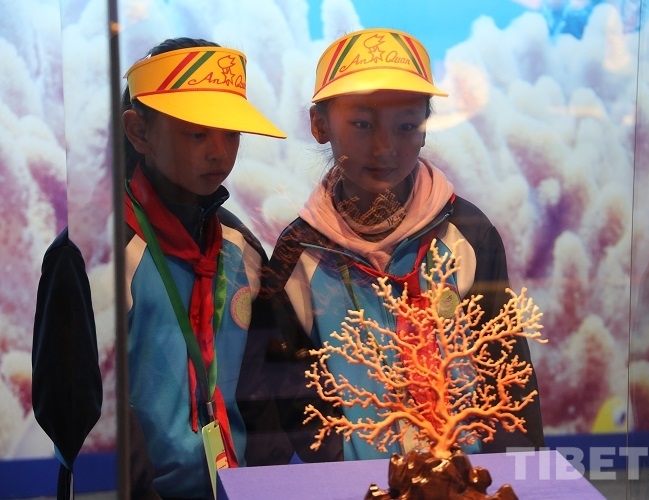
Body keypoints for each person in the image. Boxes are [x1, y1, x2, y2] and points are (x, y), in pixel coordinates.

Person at [265, 28, 545, 463]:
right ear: (319, 124)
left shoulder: (468, 234)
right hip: (355, 486)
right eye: (362, 124)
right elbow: (291, 395)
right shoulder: (298, 254)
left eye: (407, 126)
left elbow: (508, 369)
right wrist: (338, 466)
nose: (384, 147)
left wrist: (515, 476)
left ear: (426, 129)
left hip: (464, 478)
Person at [122, 37, 292, 498]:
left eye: (231, 133)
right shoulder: (102, 252)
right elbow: (75, 406)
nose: (219, 152)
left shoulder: (241, 248)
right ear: (138, 132)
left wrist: (267, 489)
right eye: (197, 134)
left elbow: (262, 397)